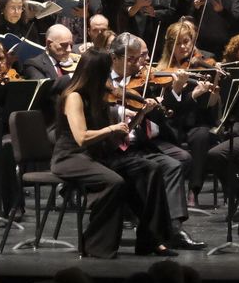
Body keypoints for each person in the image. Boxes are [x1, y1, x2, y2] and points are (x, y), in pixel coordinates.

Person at [50, 49, 172, 258]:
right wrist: (110, 129)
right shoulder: (74, 97)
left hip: (98, 155)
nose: (108, 79)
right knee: (115, 182)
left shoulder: (100, 97)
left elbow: (115, 140)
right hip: (70, 157)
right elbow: (81, 138)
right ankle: (96, 245)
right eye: (105, 73)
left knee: (150, 168)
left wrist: (140, 115)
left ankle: (150, 240)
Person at [110, 32, 199, 250]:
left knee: (173, 164)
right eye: (131, 59)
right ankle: (149, 225)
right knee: (151, 168)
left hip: (139, 145)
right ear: (115, 57)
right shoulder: (102, 81)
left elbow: (165, 114)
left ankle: (174, 228)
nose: (138, 64)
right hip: (112, 147)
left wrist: (173, 91)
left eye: (138, 58)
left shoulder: (145, 81)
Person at [158, 21, 221, 211]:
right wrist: (191, 94)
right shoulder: (163, 69)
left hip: (198, 121)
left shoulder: (204, 63)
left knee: (201, 136)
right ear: (170, 46)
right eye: (179, 43)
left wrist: (213, 93)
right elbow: (168, 108)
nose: (184, 47)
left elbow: (208, 108)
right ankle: (169, 192)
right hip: (173, 121)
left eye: (187, 42)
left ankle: (194, 190)